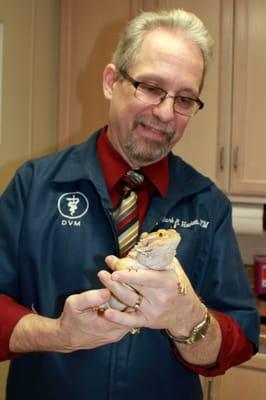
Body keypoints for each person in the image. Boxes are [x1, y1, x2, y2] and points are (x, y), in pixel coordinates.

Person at [0, 8, 259, 400]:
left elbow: (240, 339)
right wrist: (58, 334)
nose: (165, 112)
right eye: (151, 87)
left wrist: (188, 319)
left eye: (185, 98)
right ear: (111, 82)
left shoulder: (207, 205)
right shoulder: (34, 186)